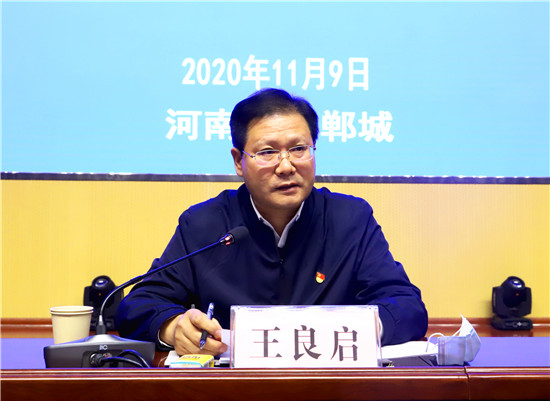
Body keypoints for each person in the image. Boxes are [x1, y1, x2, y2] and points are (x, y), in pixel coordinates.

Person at [116, 88, 428, 356]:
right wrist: (173, 328)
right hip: (231, 391)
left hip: (331, 389)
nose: (286, 166)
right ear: (239, 161)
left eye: (299, 149)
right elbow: (140, 304)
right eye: (267, 152)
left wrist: (361, 328)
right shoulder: (204, 224)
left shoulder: (351, 220)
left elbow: (406, 305)